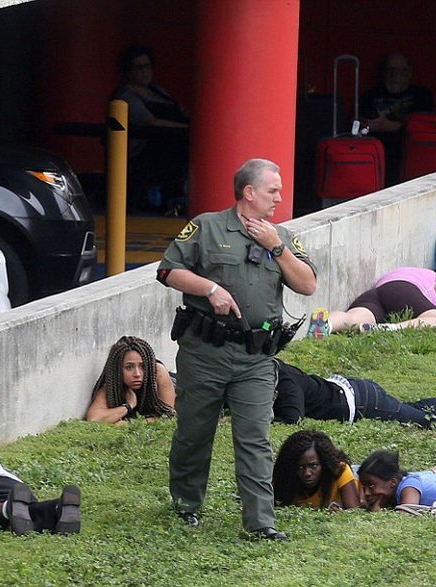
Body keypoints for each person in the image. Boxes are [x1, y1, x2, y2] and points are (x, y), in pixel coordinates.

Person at [156, 158, 318, 541]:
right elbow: (167, 271)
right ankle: (186, 505)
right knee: (195, 431)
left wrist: (276, 247)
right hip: (205, 352)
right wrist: (209, 289)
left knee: (255, 438)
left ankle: (260, 522)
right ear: (249, 192)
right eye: (272, 191)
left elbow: (308, 285)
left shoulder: (281, 237)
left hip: (256, 357)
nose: (279, 198)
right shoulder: (207, 227)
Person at [272, 359, 436, 427]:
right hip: (356, 390)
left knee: (423, 421)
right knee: (416, 408)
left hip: (361, 402)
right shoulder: (282, 370)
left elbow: (292, 418)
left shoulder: (283, 381)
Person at [272, 430, 436, 510]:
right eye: (300, 468)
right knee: (413, 479)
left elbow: (354, 509)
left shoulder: (339, 471)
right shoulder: (290, 484)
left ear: (322, 464)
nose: (307, 473)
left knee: (416, 481)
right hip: (363, 479)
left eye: (313, 466)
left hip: (358, 478)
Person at [112, 44, 190, 213]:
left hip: (172, 145)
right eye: (139, 68)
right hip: (144, 151)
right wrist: (185, 128)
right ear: (128, 71)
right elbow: (151, 122)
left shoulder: (157, 90)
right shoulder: (126, 96)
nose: (145, 72)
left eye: (148, 66)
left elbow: (180, 110)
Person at [306, 266, 436, 338]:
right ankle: (386, 329)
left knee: (353, 318)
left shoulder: (410, 271)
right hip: (403, 289)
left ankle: (327, 323)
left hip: (377, 293)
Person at [359, 52, 434, 185]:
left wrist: (389, 126)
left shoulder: (422, 96)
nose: (395, 74)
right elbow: (360, 125)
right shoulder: (370, 96)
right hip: (378, 153)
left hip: (410, 152)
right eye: (391, 69)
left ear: (409, 73)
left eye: (400, 70)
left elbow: (426, 127)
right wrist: (369, 126)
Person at [85, 336, 176, 425]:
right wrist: (129, 405)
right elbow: (94, 419)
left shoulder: (158, 372)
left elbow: (169, 415)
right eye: (129, 367)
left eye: (142, 367)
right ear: (118, 369)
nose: (137, 374)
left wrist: (131, 423)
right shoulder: (112, 384)